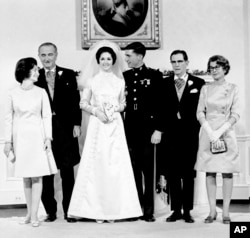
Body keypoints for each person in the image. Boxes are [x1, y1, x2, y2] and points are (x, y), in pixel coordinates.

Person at [68, 40, 142, 223]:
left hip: (115, 125)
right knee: (97, 163)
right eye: (103, 59)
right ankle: (95, 210)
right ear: (98, 61)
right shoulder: (92, 81)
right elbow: (83, 103)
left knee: (115, 164)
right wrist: (97, 112)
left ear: (113, 61)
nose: (106, 62)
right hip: (97, 125)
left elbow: (123, 104)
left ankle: (114, 210)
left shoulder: (119, 81)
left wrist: (115, 109)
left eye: (109, 59)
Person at [3, 57, 57, 227]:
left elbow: (47, 116)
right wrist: (8, 141)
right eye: (34, 69)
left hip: (37, 137)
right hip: (20, 138)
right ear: (25, 72)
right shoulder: (12, 93)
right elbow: (8, 119)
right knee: (26, 177)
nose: (38, 72)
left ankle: (34, 215)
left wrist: (48, 137)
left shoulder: (41, 92)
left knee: (37, 176)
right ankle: (29, 213)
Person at [35, 42, 82, 223]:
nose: (47, 58)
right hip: (44, 131)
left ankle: (69, 210)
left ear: (56, 55)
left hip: (66, 129)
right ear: (39, 56)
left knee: (67, 171)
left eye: (50, 54)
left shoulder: (68, 74)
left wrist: (77, 123)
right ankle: (51, 211)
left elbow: (75, 101)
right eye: (43, 55)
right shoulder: (35, 75)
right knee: (47, 172)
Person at [195, 55, 240, 224]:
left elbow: (236, 113)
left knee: (227, 172)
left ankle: (226, 212)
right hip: (208, 131)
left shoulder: (233, 88)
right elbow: (200, 111)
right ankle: (212, 211)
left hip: (226, 132)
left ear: (225, 69)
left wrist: (221, 130)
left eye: (217, 67)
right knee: (210, 171)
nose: (214, 70)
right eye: (211, 67)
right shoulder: (205, 89)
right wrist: (209, 130)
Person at [161, 50, 205, 223]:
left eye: (180, 61)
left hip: (190, 134)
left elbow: (203, 108)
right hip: (170, 135)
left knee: (188, 173)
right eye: (173, 62)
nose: (176, 65)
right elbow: (161, 110)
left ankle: (187, 210)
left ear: (187, 62)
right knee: (172, 174)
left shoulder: (199, 83)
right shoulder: (164, 84)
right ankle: (176, 210)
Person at [123, 42, 164, 222]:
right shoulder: (124, 76)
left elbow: (162, 105)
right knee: (133, 171)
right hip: (130, 130)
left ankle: (148, 210)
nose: (127, 59)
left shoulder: (154, 75)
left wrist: (159, 130)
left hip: (148, 131)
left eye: (129, 56)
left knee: (148, 172)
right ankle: (136, 208)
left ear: (139, 56)